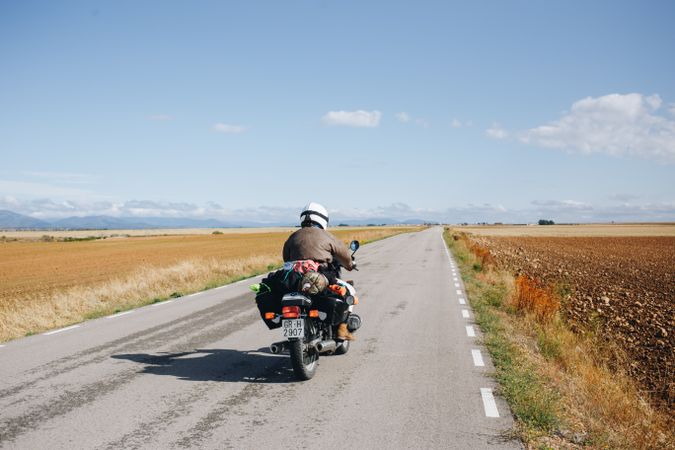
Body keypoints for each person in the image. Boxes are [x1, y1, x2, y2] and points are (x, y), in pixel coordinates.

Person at [282, 202, 357, 340]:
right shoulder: (326, 236)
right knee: (349, 290)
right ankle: (342, 329)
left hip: (295, 280)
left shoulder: (293, 237)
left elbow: (286, 259)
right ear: (323, 219)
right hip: (320, 277)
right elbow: (344, 255)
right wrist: (350, 265)